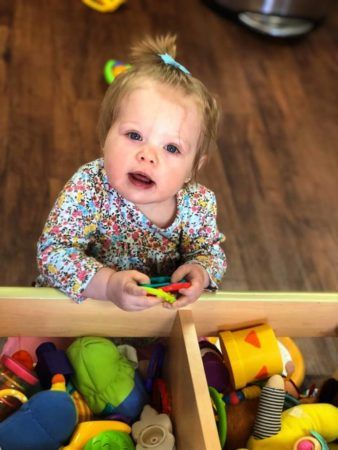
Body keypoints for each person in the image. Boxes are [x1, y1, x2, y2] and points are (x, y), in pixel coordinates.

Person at [36, 34, 227, 311]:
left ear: (192, 169)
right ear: (105, 138)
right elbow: (53, 253)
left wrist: (201, 272)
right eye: (134, 135)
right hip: (83, 308)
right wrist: (109, 284)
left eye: (172, 148)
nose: (148, 155)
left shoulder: (198, 205)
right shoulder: (89, 187)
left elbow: (210, 254)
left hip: (155, 317)